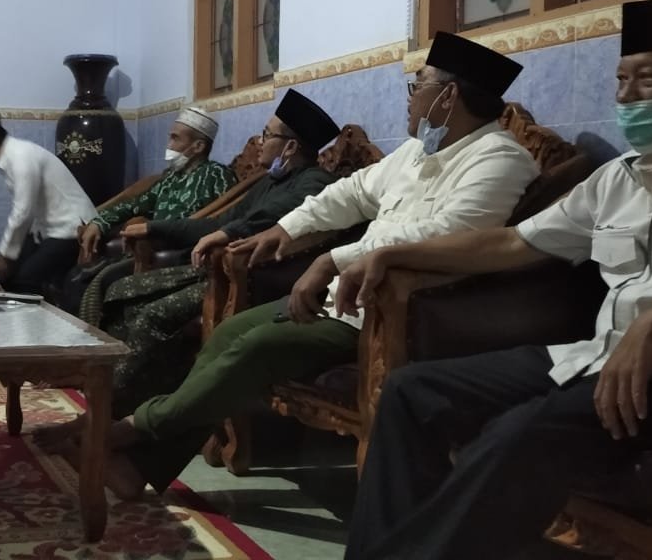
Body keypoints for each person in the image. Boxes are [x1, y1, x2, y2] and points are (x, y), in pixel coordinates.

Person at [335, 0, 652, 560]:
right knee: (411, 392)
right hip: (594, 358)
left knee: (518, 434)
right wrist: (392, 254)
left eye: (648, 81)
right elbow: (514, 242)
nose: (626, 97)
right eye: (620, 80)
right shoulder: (619, 179)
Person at [95, 31, 541, 500]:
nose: (410, 98)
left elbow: (449, 235)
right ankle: (140, 465)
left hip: (396, 313)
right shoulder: (417, 152)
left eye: (418, 85)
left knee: (255, 348)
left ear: (447, 97)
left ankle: (130, 431)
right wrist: (286, 229)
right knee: (228, 333)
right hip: (344, 296)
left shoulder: (499, 159)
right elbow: (350, 193)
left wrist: (334, 259)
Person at [36, 89, 342, 445]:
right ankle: (107, 411)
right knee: (120, 292)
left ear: (290, 147)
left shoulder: (314, 182)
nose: (260, 142)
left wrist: (224, 233)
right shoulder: (270, 181)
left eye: (266, 134)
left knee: (152, 315)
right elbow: (220, 221)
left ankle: (116, 424)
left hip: (252, 282)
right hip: (215, 272)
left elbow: (265, 220)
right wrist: (156, 228)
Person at [73, 106, 236, 321]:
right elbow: (135, 204)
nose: (169, 145)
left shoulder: (217, 175)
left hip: (180, 256)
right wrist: (99, 222)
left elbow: (222, 219)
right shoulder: (171, 178)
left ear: (198, 146)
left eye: (175, 138)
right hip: (148, 250)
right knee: (78, 278)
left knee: (103, 282)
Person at [0, 108, 96, 294]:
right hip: (46, 230)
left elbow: (23, 211)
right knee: (8, 278)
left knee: (24, 281)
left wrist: (5, 254)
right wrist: (9, 255)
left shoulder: (21, 157)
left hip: (71, 229)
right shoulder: (12, 154)